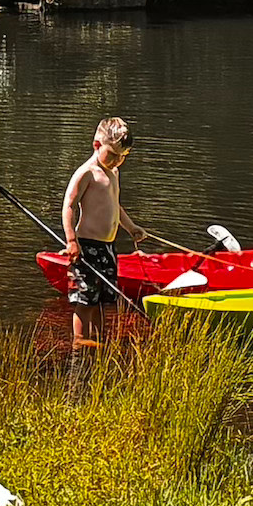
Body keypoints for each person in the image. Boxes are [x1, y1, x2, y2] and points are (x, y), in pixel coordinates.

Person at [61, 117, 149, 345]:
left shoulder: (113, 172)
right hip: (87, 246)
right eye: (113, 155)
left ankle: (98, 339)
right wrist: (71, 241)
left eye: (123, 156)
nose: (118, 161)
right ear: (97, 145)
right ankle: (80, 340)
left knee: (102, 298)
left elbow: (115, 206)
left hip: (107, 247)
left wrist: (131, 227)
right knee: (85, 297)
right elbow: (69, 206)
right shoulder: (87, 173)